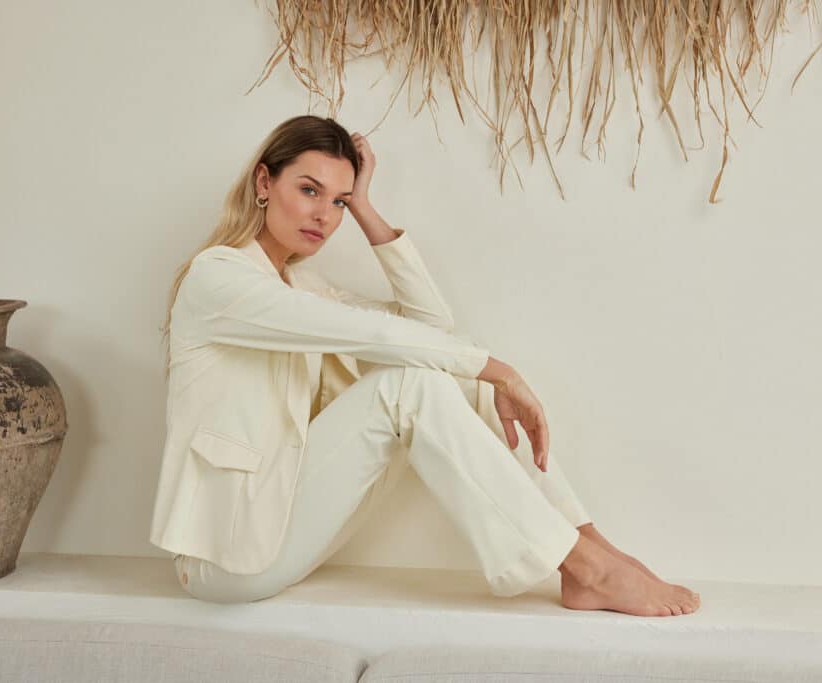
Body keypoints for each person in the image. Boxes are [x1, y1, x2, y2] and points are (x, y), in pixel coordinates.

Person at [151, 114, 700, 617]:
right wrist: (500, 369)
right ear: (265, 184)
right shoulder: (218, 278)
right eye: (309, 190)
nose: (324, 214)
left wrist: (366, 206)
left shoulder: (303, 285)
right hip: (223, 558)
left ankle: (589, 544)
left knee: (460, 381)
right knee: (411, 384)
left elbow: (431, 326)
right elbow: (379, 334)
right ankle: (584, 566)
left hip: (278, 525)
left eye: (338, 201)